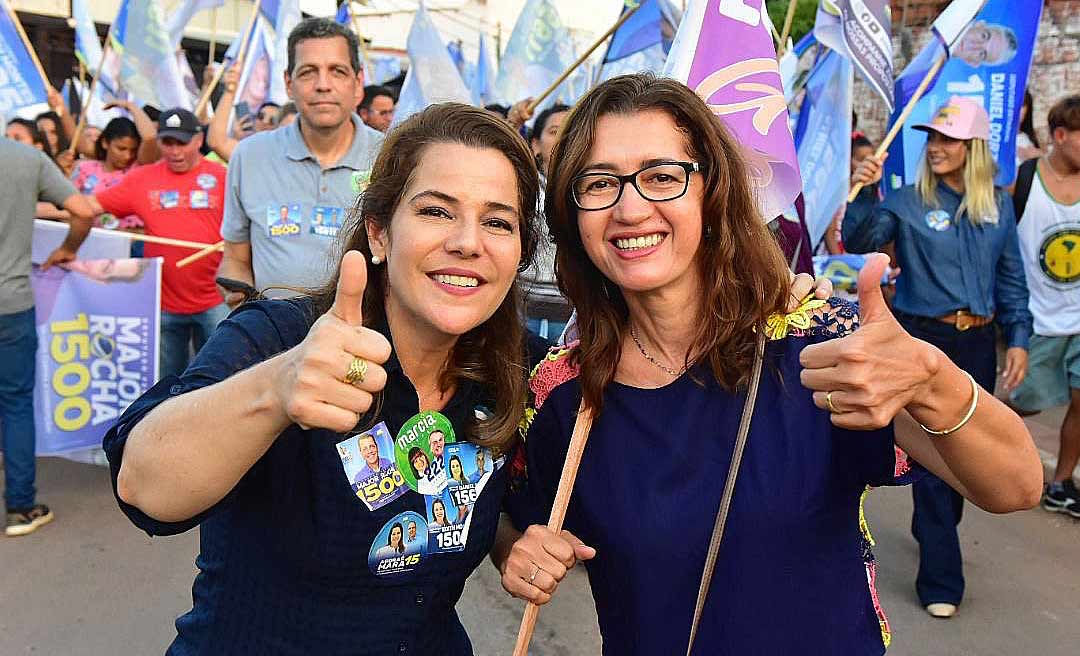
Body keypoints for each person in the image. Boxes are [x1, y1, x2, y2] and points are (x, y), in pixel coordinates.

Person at [496, 74, 1041, 654]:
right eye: (600, 183)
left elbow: (1015, 484)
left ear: (713, 192)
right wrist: (515, 554)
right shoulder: (565, 392)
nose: (631, 208)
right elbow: (517, 525)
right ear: (573, 213)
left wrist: (932, 378)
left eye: (662, 177)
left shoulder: (816, 346)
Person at [102, 102, 544, 654]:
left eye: (498, 222)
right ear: (379, 234)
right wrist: (275, 390)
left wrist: (511, 541)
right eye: (436, 211)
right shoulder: (281, 337)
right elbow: (144, 486)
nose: (468, 242)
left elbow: (472, 495)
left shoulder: (518, 369)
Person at [843, 95, 1033, 619]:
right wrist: (865, 189)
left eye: (948, 139)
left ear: (973, 148)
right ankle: (942, 578)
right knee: (934, 456)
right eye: (932, 138)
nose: (936, 148)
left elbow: (1011, 277)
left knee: (965, 454)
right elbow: (860, 239)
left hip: (978, 343)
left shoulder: (997, 207)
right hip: (924, 340)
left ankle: (934, 523)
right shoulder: (905, 202)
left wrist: (1019, 336)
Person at [217, 18, 383, 304]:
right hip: (272, 329)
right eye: (308, 72)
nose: (323, 85)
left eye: (337, 71)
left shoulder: (390, 157)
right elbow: (235, 259)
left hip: (364, 329)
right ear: (288, 84)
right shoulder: (249, 156)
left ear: (358, 84)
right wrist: (242, 304)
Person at [82, 108, 230, 379]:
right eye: (167, 142)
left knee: (219, 379)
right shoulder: (141, 178)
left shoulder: (223, 177)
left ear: (199, 140)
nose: (175, 151)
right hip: (163, 302)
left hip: (217, 298)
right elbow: (90, 206)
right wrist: (42, 204)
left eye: (182, 143)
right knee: (164, 383)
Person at [1, 136, 96, 536]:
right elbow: (84, 211)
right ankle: (21, 507)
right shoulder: (26, 158)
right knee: (15, 403)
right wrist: (68, 248)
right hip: (11, 303)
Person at [1008, 95, 1080, 516]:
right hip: (1037, 319)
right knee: (1025, 400)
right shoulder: (1025, 178)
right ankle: (978, 441)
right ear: (1061, 135)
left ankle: (1060, 483)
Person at [522, 103, 572, 340]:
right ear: (535, 145)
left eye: (571, 131)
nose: (563, 139)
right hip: (525, 314)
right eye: (554, 131)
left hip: (575, 316)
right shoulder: (523, 189)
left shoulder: (593, 191)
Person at [70, 118, 143, 231]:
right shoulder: (84, 168)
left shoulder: (138, 172)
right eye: (121, 149)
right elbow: (68, 203)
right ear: (105, 143)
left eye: (133, 150)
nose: (127, 156)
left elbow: (150, 137)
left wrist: (132, 108)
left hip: (126, 237)